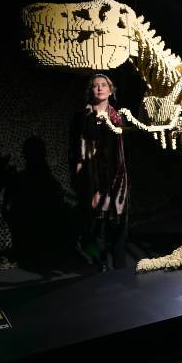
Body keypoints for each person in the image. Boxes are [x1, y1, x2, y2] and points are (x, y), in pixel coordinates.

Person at [69, 73, 129, 272]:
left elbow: (114, 153)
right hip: (88, 175)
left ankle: (119, 266)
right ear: (90, 90)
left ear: (111, 90)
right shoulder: (82, 118)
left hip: (115, 177)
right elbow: (76, 149)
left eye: (104, 85)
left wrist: (105, 187)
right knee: (93, 227)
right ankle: (97, 262)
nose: (100, 88)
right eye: (96, 85)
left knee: (117, 225)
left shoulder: (118, 117)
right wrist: (85, 180)